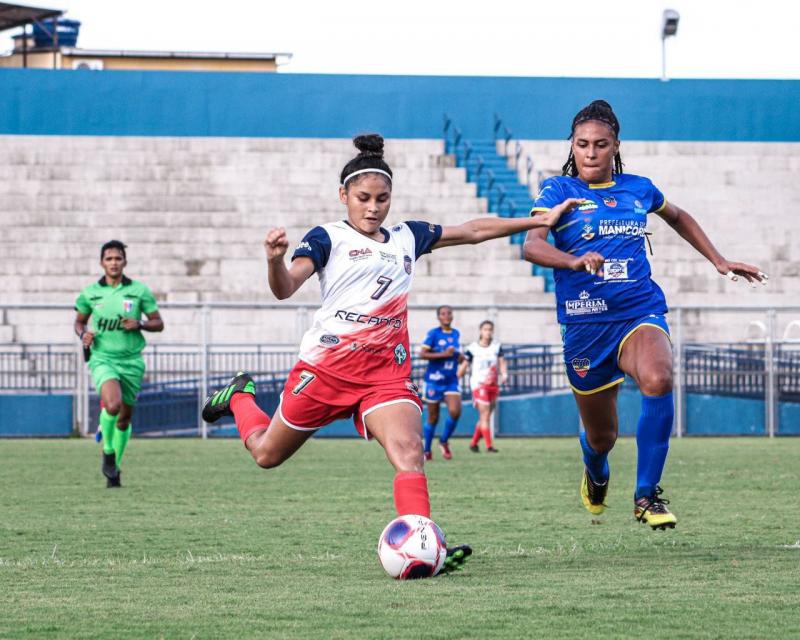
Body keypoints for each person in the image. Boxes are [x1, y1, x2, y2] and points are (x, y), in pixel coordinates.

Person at [202, 134, 572, 571]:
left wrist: (538, 221)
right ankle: (240, 396)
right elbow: (285, 289)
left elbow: (473, 231)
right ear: (344, 196)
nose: (373, 207)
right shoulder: (327, 238)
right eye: (363, 198)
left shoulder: (407, 237)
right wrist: (273, 261)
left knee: (409, 451)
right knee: (266, 454)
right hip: (325, 372)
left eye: (382, 198)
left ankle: (422, 545)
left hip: (385, 377)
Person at [523, 100, 768, 529]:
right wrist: (572, 261)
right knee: (602, 437)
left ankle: (646, 496)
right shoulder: (558, 192)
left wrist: (719, 260)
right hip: (584, 325)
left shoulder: (639, 188)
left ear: (616, 145)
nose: (591, 152)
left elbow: (677, 216)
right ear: (573, 147)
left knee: (659, 377)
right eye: (582, 145)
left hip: (639, 310)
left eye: (601, 144)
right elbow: (532, 245)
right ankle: (596, 473)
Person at [74, 240, 164, 487]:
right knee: (112, 405)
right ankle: (108, 450)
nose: (113, 262)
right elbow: (79, 322)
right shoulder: (90, 293)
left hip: (132, 361)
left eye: (118, 258)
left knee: (124, 419)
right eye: (109, 258)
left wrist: (141, 324)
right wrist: (83, 335)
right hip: (103, 359)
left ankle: (114, 470)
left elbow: (158, 322)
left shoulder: (139, 291)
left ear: (124, 261)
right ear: (102, 262)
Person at [419, 306, 462, 461]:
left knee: (455, 411)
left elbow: (455, 354)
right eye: (443, 314)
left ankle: (443, 441)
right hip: (434, 381)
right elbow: (422, 354)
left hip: (451, 380)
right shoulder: (433, 334)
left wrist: (460, 357)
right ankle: (427, 450)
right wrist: (444, 354)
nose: (447, 316)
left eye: (449, 313)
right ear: (438, 317)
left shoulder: (456, 333)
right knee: (433, 417)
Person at [457, 320, 507, 453]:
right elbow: (464, 365)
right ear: (480, 331)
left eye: (490, 329)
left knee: (486, 416)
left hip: (493, 385)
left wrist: (504, 374)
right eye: (485, 329)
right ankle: (489, 446)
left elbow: (502, 362)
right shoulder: (473, 348)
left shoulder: (496, 346)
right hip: (479, 385)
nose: (488, 332)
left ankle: (473, 443)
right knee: (485, 414)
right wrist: (457, 375)